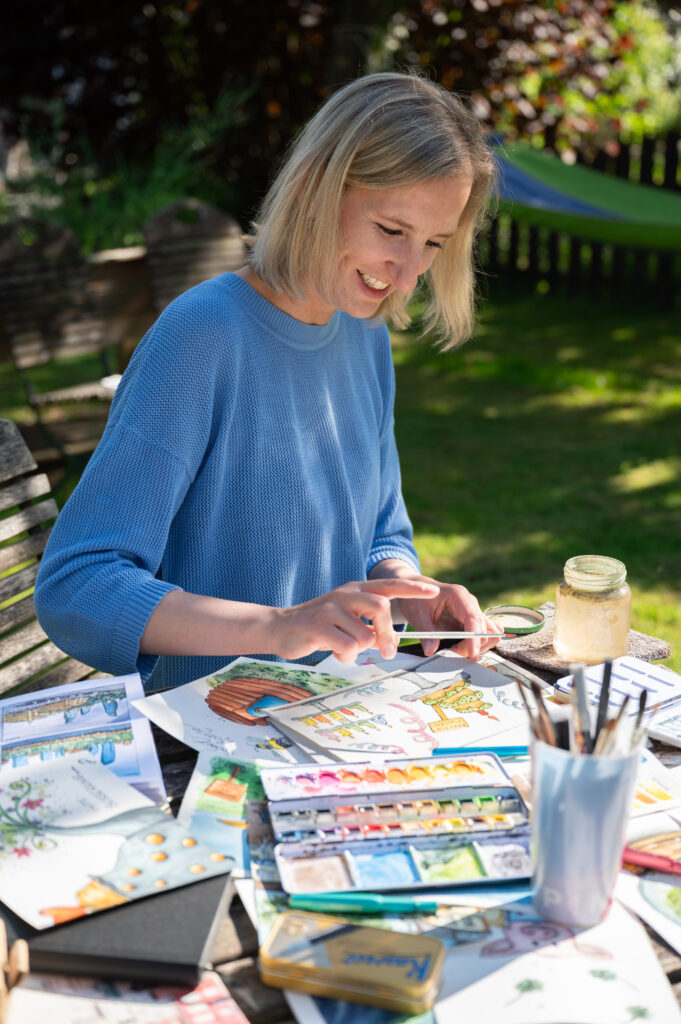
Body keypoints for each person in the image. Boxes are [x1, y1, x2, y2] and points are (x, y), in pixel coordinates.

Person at [35, 71, 502, 693]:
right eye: (391, 231)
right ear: (314, 188)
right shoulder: (202, 334)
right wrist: (279, 627)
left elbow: (379, 530)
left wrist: (408, 592)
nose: (408, 273)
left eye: (434, 243)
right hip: (210, 728)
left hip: (335, 713)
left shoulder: (364, 332)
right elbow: (78, 585)